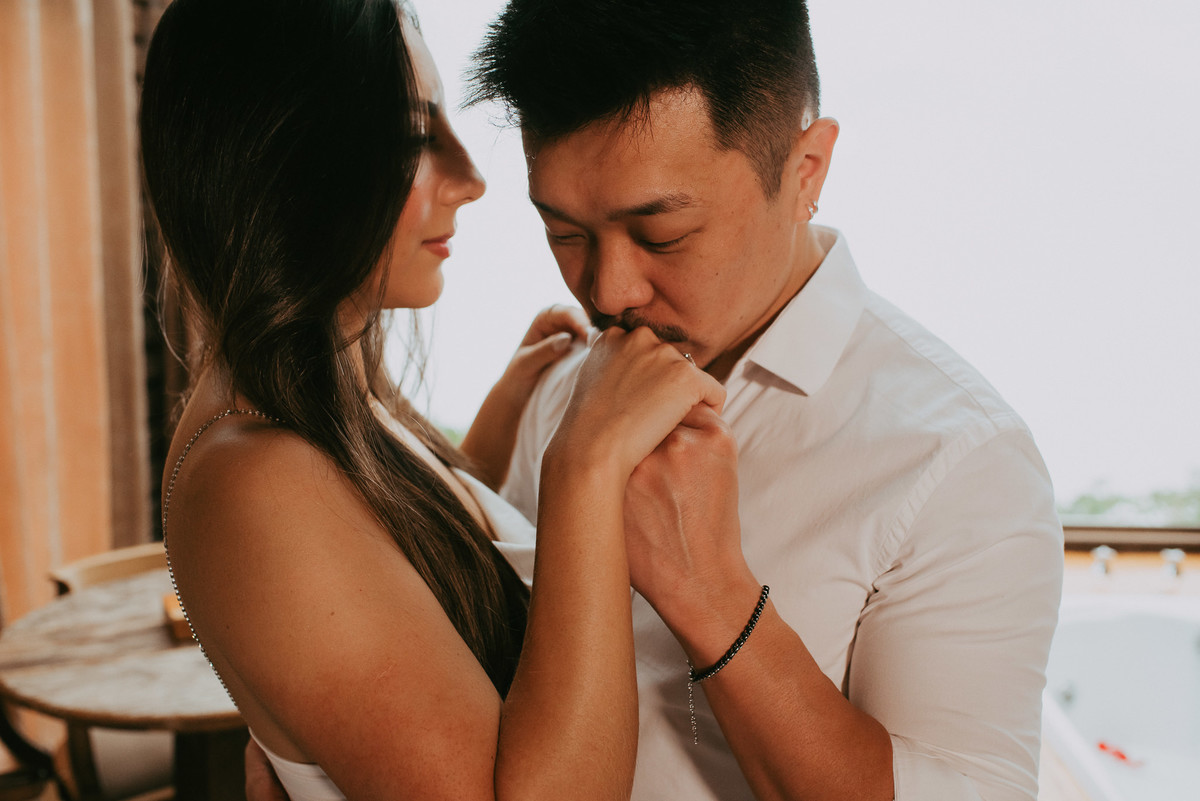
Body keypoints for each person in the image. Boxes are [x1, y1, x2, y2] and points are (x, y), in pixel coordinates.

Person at [469, 1, 1065, 800]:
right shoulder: (570, 384)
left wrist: (713, 595)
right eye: (565, 233)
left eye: (661, 234)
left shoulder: (960, 462)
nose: (608, 290)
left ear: (806, 170)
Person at [140, 1, 728, 800]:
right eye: (419, 136)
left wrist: (493, 423)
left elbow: (397, 577)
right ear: (286, 160)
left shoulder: (312, 397)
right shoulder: (253, 478)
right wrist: (586, 462)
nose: (474, 180)